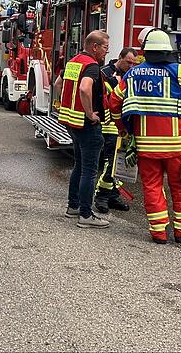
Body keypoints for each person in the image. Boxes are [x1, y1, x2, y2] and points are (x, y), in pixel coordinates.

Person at [109, 28, 181, 244]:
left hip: (145, 146)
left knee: (152, 188)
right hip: (176, 147)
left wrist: (123, 127)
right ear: (167, 50)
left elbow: (114, 102)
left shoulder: (133, 74)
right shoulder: (179, 72)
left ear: (146, 51)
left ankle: (158, 233)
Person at [57, 30, 110, 229]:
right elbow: (84, 89)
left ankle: (73, 207)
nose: (106, 52)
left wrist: (65, 105)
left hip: (72, 123)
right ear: (94, 47)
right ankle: (86, 215)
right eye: (105, 48)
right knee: (90, 170)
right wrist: (90, 113)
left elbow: (58, 84)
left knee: (79, 166)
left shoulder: (73, 62)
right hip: (87, 125)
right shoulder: (92, 67)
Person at [94, 47, 138, 214]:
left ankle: (112, 195)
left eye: (134, 63)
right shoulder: (105, 73)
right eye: (128, 62)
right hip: (108, 125)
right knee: (111, 162)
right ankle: (102, 196)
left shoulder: (131, 75)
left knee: (120, 162)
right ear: (119, 58)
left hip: (122, 126)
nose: (131, 66)